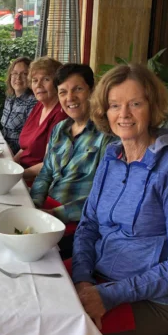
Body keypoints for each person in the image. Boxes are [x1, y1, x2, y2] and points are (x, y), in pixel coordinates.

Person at [71, 63, 168, 335]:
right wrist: (83, 279)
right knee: (31, 295)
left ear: (152, 106)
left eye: (135, 104)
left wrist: (108, 295)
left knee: (55, 332)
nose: (124, 114)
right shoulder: (113, 156)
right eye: (114, 105)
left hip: (153, 302)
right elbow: (88, 225)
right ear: (104, 112)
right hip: (100, 277)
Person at [30, 63, 111, 259]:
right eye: (63, 92)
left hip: (77, 221)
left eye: (78, 89)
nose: (70, 98)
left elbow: (104, 195)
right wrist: (33, 204)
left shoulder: (107, 136)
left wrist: (56, 214)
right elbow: (46, 173)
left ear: (92, 91)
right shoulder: (60, 129)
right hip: (47, 212)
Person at [13, 57, 67, 182]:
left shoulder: (60, 115)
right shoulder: (39, 106)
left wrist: (16, 176)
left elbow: (49, 164)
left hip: (38, 180)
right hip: (22, 172)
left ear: (57, 83)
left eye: (46, 79)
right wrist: (9, 165)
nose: (38, 85)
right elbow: (24, 148)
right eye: (34, 80)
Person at [0, 57, 37, 154]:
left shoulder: (33, 102)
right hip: (2, 148)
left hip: (16, 154)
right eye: (15, 73)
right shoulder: (10, 98)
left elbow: (30, 141)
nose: (18, 77)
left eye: (24, 74)